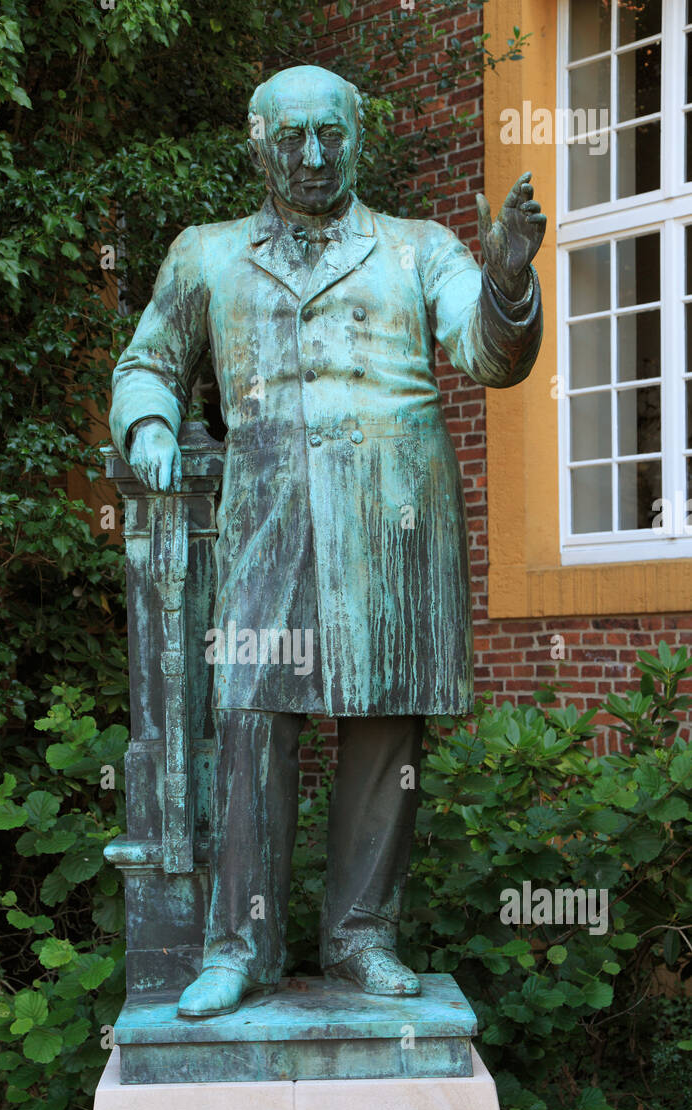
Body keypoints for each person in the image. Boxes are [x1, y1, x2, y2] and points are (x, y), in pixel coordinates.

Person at [110, 65, 545, 1018]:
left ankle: (359, 937)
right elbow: (147, 362)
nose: (314, 156)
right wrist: (147, 426)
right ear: (258, 142)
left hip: (394, 520)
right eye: (295, 136)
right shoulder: (206, 256)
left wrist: (508, 276)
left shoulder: (418, 249)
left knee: (387, 727)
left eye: (333, 136)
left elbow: (487, 354)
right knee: (250, 717)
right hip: (267, 517)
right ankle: (242, 944)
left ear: (358, 140)